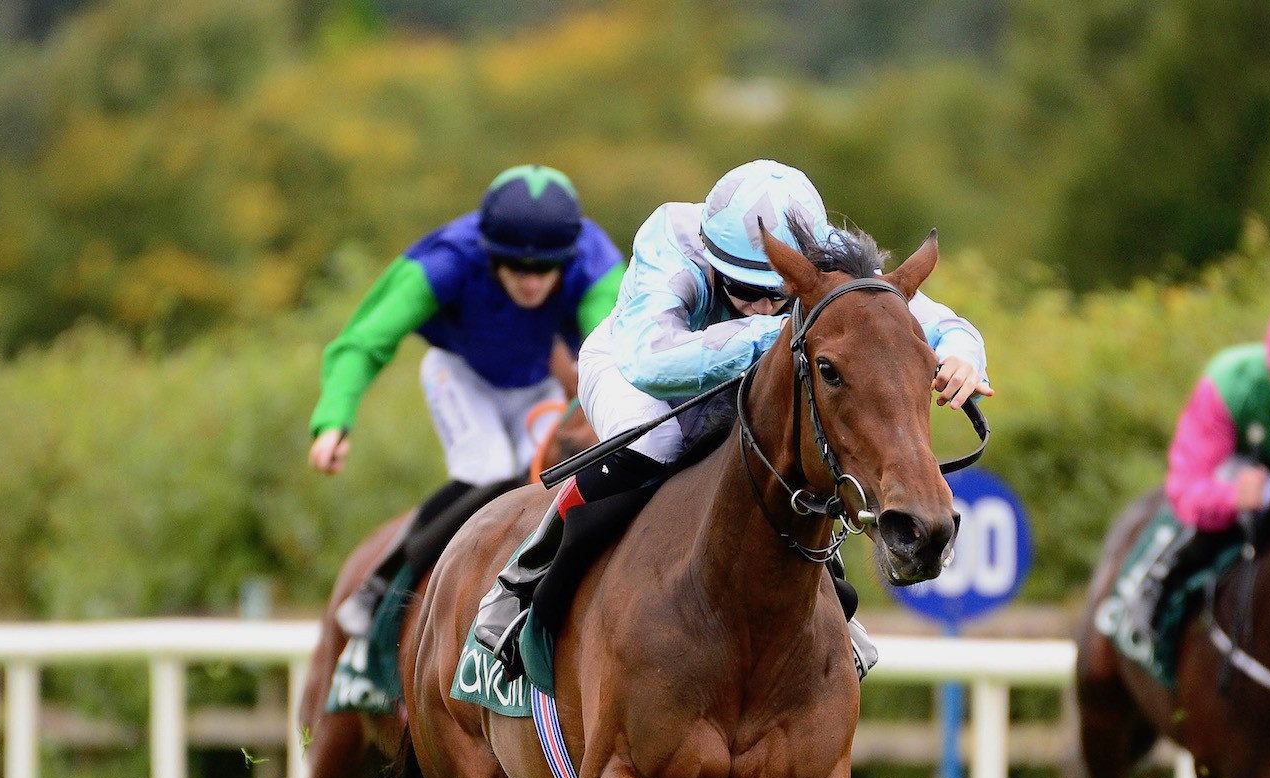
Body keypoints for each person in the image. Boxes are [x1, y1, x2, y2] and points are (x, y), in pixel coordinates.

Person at [470, 159, 991, 674]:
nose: (762, 306)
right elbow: (652, 364)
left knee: (795, 454)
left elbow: (923, 317)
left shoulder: (822, 252)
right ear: (716, 263)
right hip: (635, 365)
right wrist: (779, 335)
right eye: (746, 291)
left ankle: (832, 601)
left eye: (777, 295)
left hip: (754, 369)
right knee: (657, 446)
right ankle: (526, 578)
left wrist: (963, 353)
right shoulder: (672, 240)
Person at [307, 165, 626, 637]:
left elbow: (615, 350)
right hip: (458, 374)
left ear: (568, 257)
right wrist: (334, 419)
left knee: (547, 483)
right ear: (489, 252)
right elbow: (364, 340)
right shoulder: (448, 259)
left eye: (545, 269)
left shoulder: (596, 263)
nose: (531, 282)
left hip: (536, 384)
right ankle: (384, 581)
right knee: (489, 469)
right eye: (516, 267)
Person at [1125, 295, 1270, 643]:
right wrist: (1232, 498)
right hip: (1244, 473)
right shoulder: (1229, 386)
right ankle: (1159, 588)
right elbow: (1185, 488)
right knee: (1234, 498)